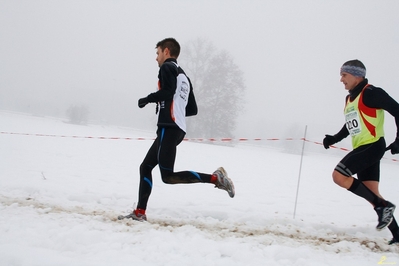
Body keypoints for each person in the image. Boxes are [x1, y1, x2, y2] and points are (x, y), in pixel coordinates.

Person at [129, 38, 235, 221]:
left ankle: (216, 179)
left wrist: (148, 99)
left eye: (157, 53)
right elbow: (192, 108)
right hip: (175, 128)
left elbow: (168, 92)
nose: (156, 58)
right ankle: (140, 212)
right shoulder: (184, 77)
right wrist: (175, 109)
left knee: (168, 176)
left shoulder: (166, 68)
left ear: (167, 51)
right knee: (145, 167)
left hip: (168, 128)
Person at [323, 59, 399, 245]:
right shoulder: (350, 98)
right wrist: (335, 138)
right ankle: (397, 234)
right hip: (363, 147)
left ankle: (384, 207)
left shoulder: (371, 93)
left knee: (339, 176)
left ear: (357, 75)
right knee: (372, 194)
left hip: (372, 146)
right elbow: (351, 124)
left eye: (344, 75)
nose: (341, 79)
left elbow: (397, 110)